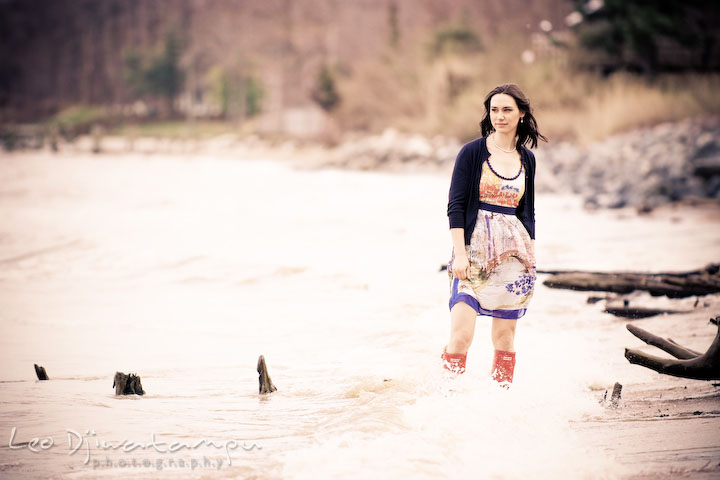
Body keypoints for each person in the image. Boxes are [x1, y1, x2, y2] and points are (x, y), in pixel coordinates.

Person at [442, 83, 547, 387]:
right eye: (494, 110)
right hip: (473, 253)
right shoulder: (472, 152)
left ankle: (501, 400)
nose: (499, 116)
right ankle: (448, 399)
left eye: (507, 110)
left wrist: (532, 256)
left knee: (504, 338)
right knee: (461, 335)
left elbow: (528, 211)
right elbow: (456, 205)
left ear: (522, 114)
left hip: (515, 257)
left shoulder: (527, 159)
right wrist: (459, 253)